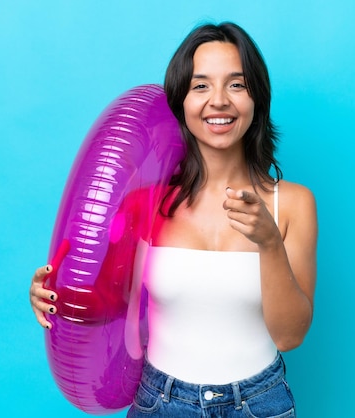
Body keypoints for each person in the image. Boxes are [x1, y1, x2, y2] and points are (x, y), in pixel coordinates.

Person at [30, 21, 317, 417]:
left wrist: (268, 242)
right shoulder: (148, 203)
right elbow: (112, 306)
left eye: (236, 84)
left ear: (257, 99)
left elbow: (290, 335)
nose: (219, 101)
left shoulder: (294, 203)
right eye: (201, 86)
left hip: (258, 404)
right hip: (160, 403)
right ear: (181, 100)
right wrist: (55, 298)